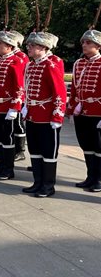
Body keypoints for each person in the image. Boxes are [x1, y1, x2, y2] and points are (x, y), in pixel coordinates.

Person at [22, 31, 66, 197]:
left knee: (48, 152)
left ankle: (48, 186)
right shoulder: (31, 65)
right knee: (34, 150)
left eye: (32, 45)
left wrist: (57, 116)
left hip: (47, 117)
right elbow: (27, 88)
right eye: (28, 45)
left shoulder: (51, 65)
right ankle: (37, 182)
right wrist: (26, 107)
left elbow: (60, 93)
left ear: (43, 47)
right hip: (33, 115)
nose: (29, 48)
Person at [0, 31, 25, 180]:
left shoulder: (16, 61)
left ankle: (8, 169)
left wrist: (15, 108)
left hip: (7, 107)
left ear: (9, 46)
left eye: (0, 43)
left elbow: (19, 87)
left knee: (7, 138)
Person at [66, 29, 101, 193]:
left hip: (97, 112)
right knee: (86, 145)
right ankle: (90, 177)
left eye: (88, 43)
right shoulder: (78, 64)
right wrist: (71, 108)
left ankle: (98, 179)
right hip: (82, 111)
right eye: (83, 43)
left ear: (98, 46)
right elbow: (74, 88)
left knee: (98, 147)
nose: (84, 45)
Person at [10, 31, 29, 162]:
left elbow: (20, 79)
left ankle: (20, 150)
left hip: (18, 95)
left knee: (18, 124)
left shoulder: (21, 56)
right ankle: (11, 148)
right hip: (7, 96)